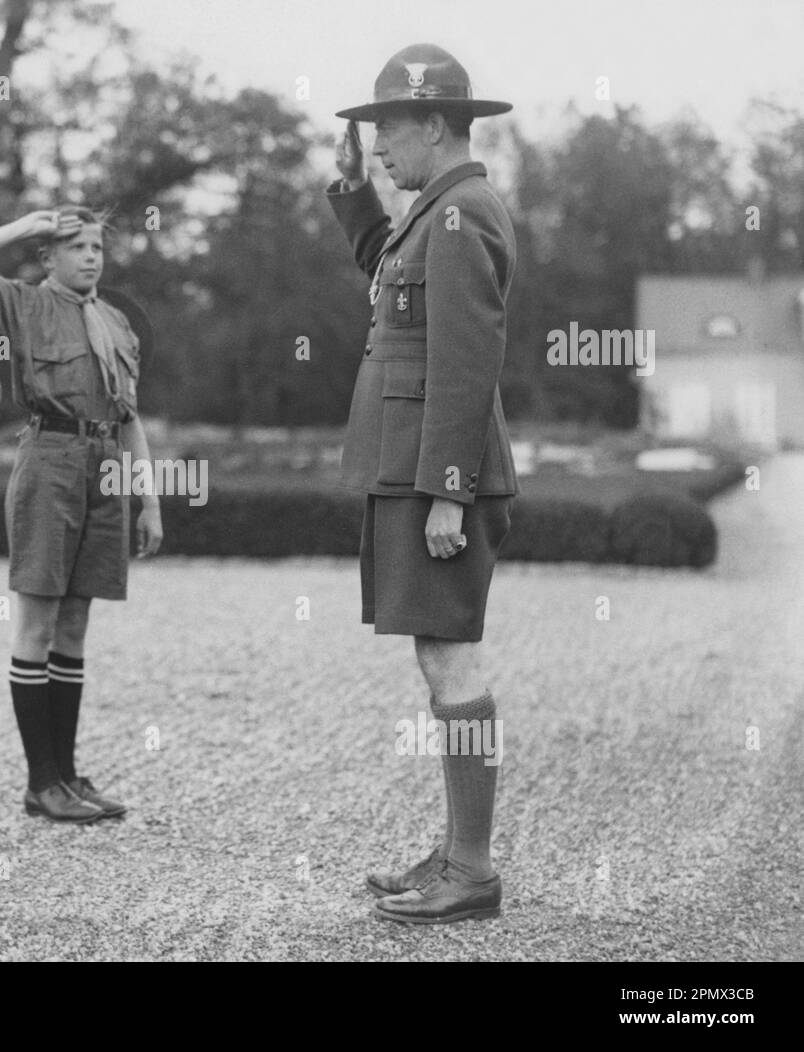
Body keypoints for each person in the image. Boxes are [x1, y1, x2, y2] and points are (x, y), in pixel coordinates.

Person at [328, 44, 519, 924]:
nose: (375, 148)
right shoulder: (432, 212)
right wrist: (353, 200)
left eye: (384, 132)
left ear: (435, 125)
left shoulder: (458, 214)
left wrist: (449, 486)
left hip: (432, 471)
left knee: (450, 654)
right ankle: (457, 850)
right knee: (434, 649)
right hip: (410, 465)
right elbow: (389, 285)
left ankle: (472, 869)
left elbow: (465, 357)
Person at [0, 206, 162, 823]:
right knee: (37, 625)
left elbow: (129, 418)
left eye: (97, 246)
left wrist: (147, 498)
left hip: (105, 465)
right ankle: (40, 780)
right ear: (49, 257)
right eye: (75, 246)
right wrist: (24, 226)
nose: (91, 256)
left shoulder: (116, 322)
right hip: (49, 459)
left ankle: (68, 775)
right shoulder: (24, 304)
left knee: (74, 627)